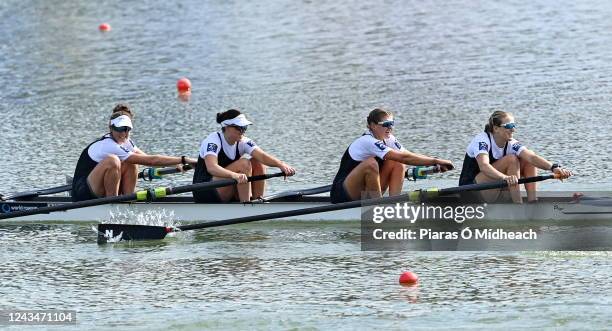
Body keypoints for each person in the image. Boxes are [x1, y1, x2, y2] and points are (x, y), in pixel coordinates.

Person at [72, 104, 197, 202]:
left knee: (133, 161)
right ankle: (112, 204)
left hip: (97, 187)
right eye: (119, 129)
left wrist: (174, 164)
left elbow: (147, 158)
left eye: (127, 129)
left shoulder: (126, 142)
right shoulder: (107, 145)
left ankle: (128, 199)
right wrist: (184, 159)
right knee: (113, 161)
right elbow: (151, 161)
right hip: (82, 192)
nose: (123, 133)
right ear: (110, 128)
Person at [330, 108, 454, 203]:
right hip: (343, 193)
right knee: (371, 164)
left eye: (391, 123)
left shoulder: (388, 139)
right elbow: (405, 157)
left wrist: (436, 164)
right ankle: (377, 208)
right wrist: (435, 160)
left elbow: (407, 156)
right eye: (385, 124)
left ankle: (394, 204)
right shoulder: (366, 141)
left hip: (367, 192)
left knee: (398, 162)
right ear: (372, 125)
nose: (390, 127)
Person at [458, 110, 572, 203]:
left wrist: (554, 167)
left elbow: (532, 158)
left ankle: (533, 201)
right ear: (496, 128)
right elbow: (484, 166)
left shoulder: (511, 142)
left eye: (513, 125)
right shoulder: (482, 140)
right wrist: (505, 178)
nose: (513, 129)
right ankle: (518, 205)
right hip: (471, 192)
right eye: (509, 126)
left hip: (494, 189)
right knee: (511, 159)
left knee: (527, 158)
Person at [192, 109, 296, 203]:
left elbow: (263, 156)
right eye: (239, 128)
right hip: (205, 191)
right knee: (244, 164)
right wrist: (234, 175)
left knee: (257, 162)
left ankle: (258, 201)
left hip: (225, 187)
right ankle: (246, 205)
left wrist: (281, 165)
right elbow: (212, 168)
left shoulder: (243, 141)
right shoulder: (213, 141)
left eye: (244, 127)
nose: (243, 131)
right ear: (226, 127)